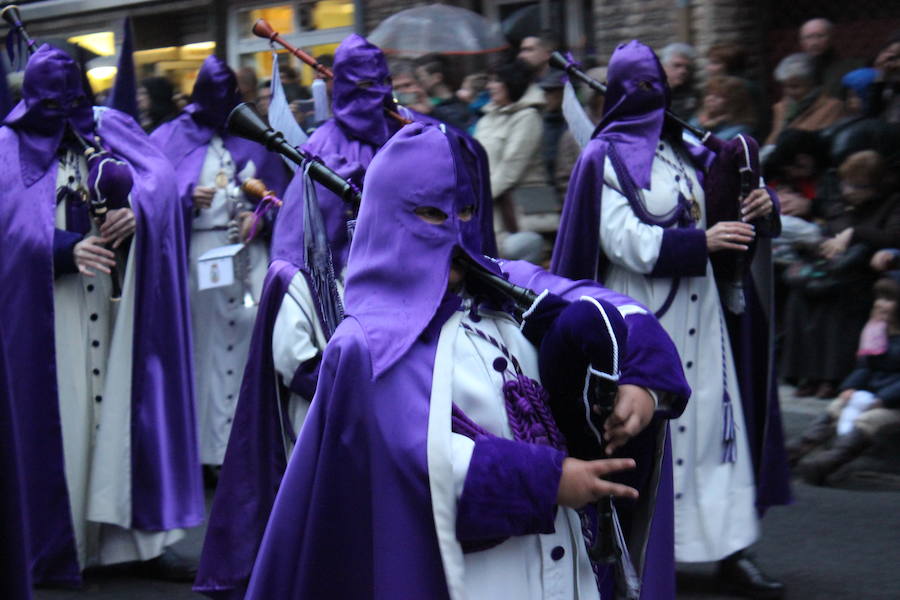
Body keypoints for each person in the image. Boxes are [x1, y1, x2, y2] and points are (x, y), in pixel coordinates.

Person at [242, 120, 691, 600]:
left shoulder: (511, 284)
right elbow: (404, 460)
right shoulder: (364, 343)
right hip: (467, 575)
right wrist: (546, 481)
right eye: (433, 213)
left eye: (467, 210)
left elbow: (622, 311)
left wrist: (641, 381)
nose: (455, 230)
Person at [552, 41, 792, 598]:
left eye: (655, 83)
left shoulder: (687, 150)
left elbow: (730, 196)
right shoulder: (602, 157)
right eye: (637, 85)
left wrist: (761, 202)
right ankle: (649, 555)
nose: (649, 95)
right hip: (643, 322)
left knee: (715, 432)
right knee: (653, 438)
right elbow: (621, 239)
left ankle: (732, 551)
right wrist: (698, 242)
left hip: (703, 317)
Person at [0, 44, 202, 583]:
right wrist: (60, 249)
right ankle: (59, 542)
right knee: (63, 419)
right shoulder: (6, 147)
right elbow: (6, 228)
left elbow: (162, 185)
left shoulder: (110, 130)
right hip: (51, 310)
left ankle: (135, 544)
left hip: (119, 305)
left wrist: (137, 213)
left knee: (124, 411)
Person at [150, 55, 289, 476]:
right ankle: (207, 451)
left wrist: (261, 218)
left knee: (252, 345)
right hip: (200, 257)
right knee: (204, 349)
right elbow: (150, 196)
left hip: (248, 256)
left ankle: (248, 447)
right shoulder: (172, 136)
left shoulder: (253, 134)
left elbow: (282, 199)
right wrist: (185, 198)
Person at [781, 150, 900, 399]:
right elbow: (823, 220)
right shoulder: (839, 203)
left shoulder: (892, 204)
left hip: (860, 271)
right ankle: (806, 374)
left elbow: (892, 236)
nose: (849, 191)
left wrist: (855, 234)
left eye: (858, 186)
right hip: (826, 266)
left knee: (836, 303)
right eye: (847, 184)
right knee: (800, 298)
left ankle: (832, 377)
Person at [789, 277, 900, 484]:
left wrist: (884, 399)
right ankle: (795, 452)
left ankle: (829, 462)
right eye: (879, 298)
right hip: (871, 394)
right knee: (837, 407)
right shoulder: (876, 331)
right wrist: (850, 387)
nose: (879, 304)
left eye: (888, 299)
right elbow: (865, 366)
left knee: (870, 419)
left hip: (893, 403)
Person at [473, 59, 547, 235]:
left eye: (496, 81)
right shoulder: (486, 118)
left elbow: (510, 168)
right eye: (489, 81)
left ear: (513, 83)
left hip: (518, 213)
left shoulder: (528, 117)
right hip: (487, 208)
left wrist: (476, 198)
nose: (489, 86)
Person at [765, 53, 844, 145]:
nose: (788, 92)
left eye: (795, 87)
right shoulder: (781, 108)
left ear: (811, 84)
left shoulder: (832, 107)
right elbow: (772, 140)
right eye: (784, 86)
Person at [799, 18, 861, 99]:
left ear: (832, 38)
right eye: (808, 37)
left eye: (820, 36)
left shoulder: (850, 68)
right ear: (802, 42)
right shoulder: (798, 71)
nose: (814, 43)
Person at [690, 75, 757, 140]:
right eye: (709, 94)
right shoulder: (699, 118)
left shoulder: (741, 130)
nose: (710, 99)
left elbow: (712, 145)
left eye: (718, 96)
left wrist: (710, 126)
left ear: (734, 102)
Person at [415, 53, 470, 131]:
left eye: (420, 77)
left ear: (437, 78)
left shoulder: (454, 111)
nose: (418, 81)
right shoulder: (437, 105)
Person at [659, 42, 699, 120]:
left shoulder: (694, 97)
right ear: (663, 67)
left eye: (687, 67)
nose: (683, 71)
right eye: (677, 65)